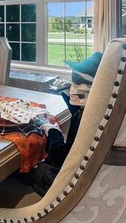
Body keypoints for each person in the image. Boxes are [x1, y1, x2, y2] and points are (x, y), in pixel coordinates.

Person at [27, 52, 103, 196]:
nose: (74, 87)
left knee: (26, 170)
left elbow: (61, 156)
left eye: (78, 80)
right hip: (90, 176)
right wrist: (69, 92)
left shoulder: (87, 121)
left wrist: (52, 131)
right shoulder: (98, 111)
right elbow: (78, 111)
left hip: (70, 187)